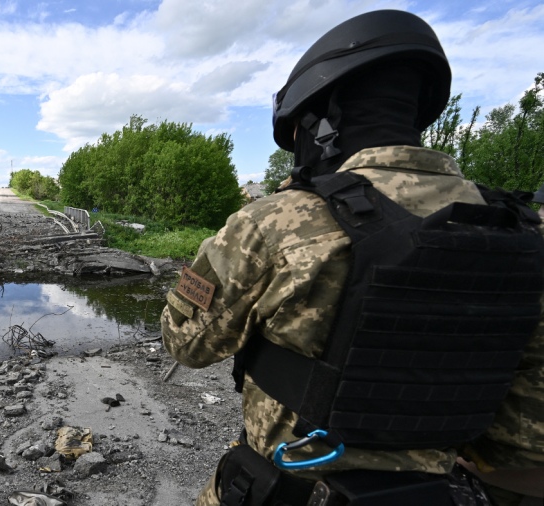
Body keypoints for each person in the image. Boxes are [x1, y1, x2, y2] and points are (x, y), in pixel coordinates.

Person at [161, 9, 544, 506]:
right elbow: (524, 442)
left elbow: (185, 342)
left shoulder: (278, 221)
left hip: (286, 490)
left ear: (319, 122)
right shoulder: (522, 231)